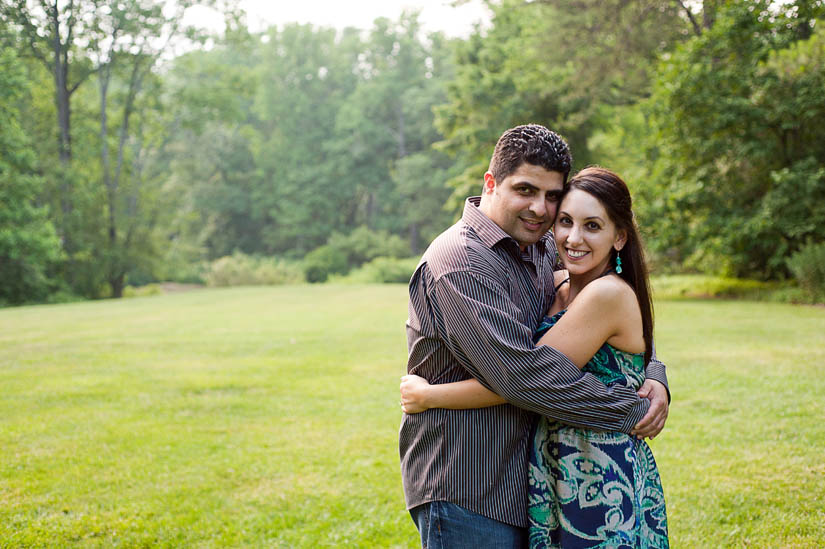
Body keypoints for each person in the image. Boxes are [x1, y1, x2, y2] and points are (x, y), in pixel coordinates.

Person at [399, 124, 669, 548]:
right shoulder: (461, 263)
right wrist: (630, 410)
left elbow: (610, 323)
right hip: (470, 484)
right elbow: (525, 378)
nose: (541, 210)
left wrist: (654, 373)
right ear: (491, 183)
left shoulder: (543, 245)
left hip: (540, 480)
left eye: (551, 197)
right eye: (525, 190)